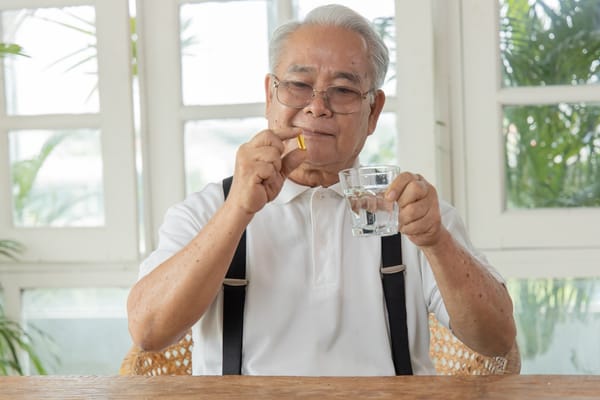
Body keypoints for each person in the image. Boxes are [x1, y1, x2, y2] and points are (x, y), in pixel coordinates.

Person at [127, 4, 516, 376]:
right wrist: (237, 212)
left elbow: (496, 340)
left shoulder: (414, 212)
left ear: (373, 112)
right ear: (270, 95)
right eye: (298, 85)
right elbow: (149, 332)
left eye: (343, 91)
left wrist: (437, 242)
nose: (317, 107)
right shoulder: (206, 209)